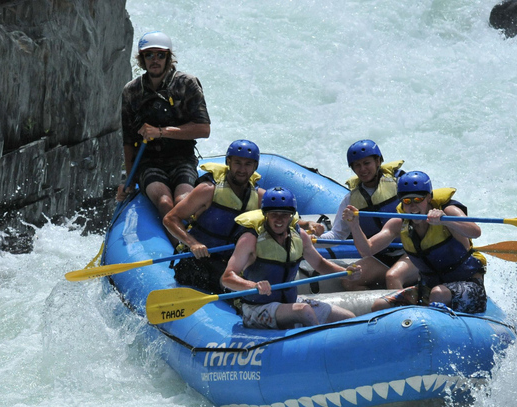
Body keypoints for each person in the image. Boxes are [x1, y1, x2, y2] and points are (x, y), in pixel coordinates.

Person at [343, 171, 488, 314]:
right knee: (380, 305)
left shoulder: (448, 211)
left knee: (438, 294)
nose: (412, 207)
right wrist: (354, 225)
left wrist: (447, 221)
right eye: (407, 201)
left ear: (429, 198)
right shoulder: (399, 223)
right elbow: (366, 250)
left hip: (469, 286)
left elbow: (475, 232)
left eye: (418, 200)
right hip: (429, 289)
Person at [221, 187, 361, 329]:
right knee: (304, 311)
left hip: (289, 304)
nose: (279, 219)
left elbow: (320, 264)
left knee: (347, 317)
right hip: (256, 309)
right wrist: (253, 286)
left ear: (291, 216)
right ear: (265, 215)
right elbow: (226, 278)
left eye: (284, 214)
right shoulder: (250, 239)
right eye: (274, 214)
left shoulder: (300, 236)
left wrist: (345, 274)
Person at [117, 31, 211, 221]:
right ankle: (179, 245)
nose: (155, 60)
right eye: (149, 55)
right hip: (149, 163)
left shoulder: (186, 84)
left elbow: (204, 129)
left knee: (183, 200)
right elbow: (128, 141)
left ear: (168, 58)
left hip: (182, 158)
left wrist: (161, 132)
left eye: (161, 55)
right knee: (165, 202)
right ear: (142, 59)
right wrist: (130, 180)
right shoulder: (132, 91)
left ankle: (190, 242)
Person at [163, 139, 264, 294]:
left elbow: (282, 218)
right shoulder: (208, 190)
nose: (242, 169)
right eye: (238, 163)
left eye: (248, 164)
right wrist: (193, 243)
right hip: (197, 262)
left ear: (255, 166)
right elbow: (170, 219)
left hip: (231, 266)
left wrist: (307, 225)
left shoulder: (259, 196)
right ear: (228, 162)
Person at [319, 139, 418, 291]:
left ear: (378, 161)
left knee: (393, 276)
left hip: (411, 251)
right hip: (381, 256)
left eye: (367, 163)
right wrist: (310, 240)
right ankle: (379, 304)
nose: (362, 169)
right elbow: (337, 235)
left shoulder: (401, 185)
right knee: (349, 281)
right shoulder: (350, 200)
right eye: (357, 165)